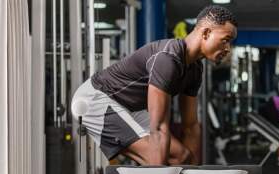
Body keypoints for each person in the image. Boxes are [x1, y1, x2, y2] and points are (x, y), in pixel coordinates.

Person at [71, 5, 237, 165]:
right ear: (206, 33)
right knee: (155, 157)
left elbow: (191, 126)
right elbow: (158, 128)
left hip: (131, 107)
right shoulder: (167, 58)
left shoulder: (195, 69)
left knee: (182, 158)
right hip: (96, 99)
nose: (228, 48)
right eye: (225, 40)